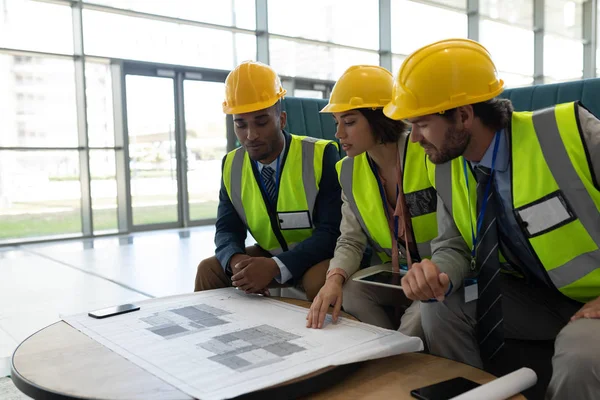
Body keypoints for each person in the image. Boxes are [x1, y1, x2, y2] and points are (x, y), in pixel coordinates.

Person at [384, 38, 600, 399]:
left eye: (421, 124)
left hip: (594, 298)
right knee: (438, 309)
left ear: (464, 116)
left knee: (581, 355)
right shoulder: (445, 164)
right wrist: (439, 274)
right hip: (537, 295)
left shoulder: (569, 133)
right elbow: (452, 244)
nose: (414, 138)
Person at [306, 65, 438, 336]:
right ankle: (385, 349)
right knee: (351, 291)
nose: (339, 134)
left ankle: (398, 355)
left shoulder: (426, 152)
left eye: (350, 122)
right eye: (337, 122)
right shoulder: (348, 170)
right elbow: (351, 240)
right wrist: (334, 278)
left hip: (437, 269)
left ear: (380, 118)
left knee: (418, 318)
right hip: (395, 272)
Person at [194, 61, 342, 301]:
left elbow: (331, 232)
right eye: (240, 124)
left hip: (317, 256)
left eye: (261, 122)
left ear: (281, 119)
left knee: (318, 280)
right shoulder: (232, 164)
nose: (250, 135)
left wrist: (275, 266)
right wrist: (235, 260)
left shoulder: (321, 154)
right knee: (208, 270)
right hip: (269, 253)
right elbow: (227, 228)